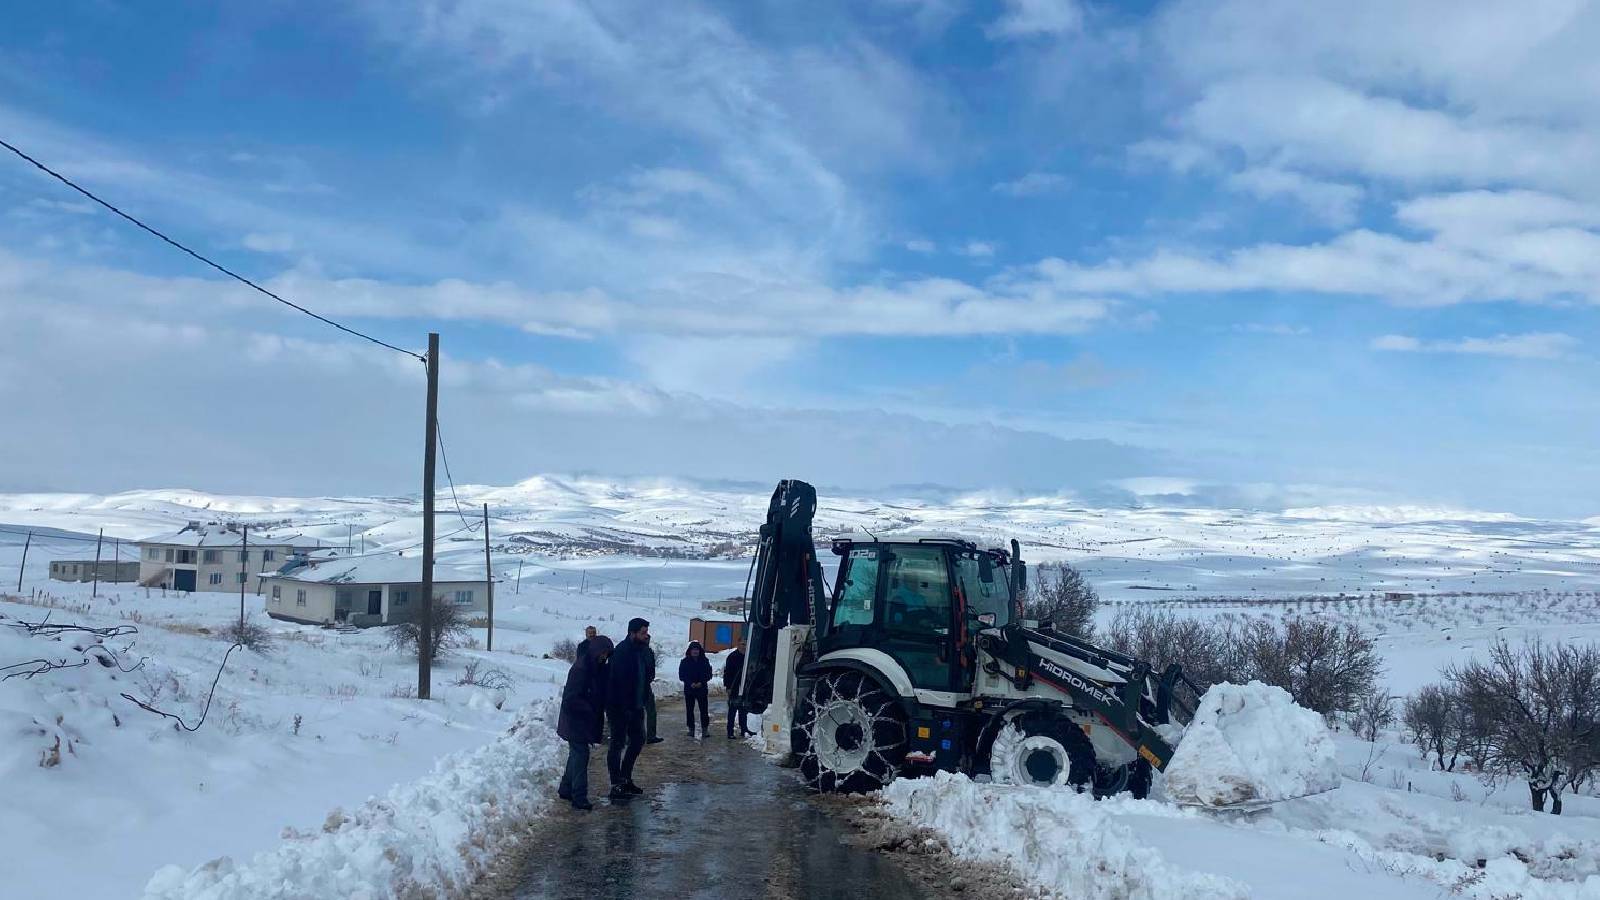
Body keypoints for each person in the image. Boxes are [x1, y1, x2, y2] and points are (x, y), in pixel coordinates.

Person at [557, 635, 613, 811]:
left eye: (607, 654)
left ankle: (566, 788)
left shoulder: (596, 667)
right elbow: (570, 699)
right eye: (603, 653)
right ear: (596, 651)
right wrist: (589, 708)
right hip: (575, 720)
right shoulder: (581, 669)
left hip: (582, 720)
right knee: (581, 755)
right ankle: (579, 797)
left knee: (576, 754)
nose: (604, 657)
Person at [605, 617, 651, 800]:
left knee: (638, 740)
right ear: (632, 633)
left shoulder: (641, 651)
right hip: (619, 707)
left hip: (636, 706)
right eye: (642, 632)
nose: (646, 635)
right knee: (617, 743)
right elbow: (618, 683)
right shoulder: (622, 653)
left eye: (646, 632)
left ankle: (625, 778)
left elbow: (645, 675)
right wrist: (624, 707)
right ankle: (616, 784)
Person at [679, 641, 713, 737]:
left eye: (697, 649)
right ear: (689, 651)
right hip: (689, 690)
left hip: (702, 689)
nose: (695, 651)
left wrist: (701, 682)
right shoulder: (684, 662)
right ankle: (691, 729)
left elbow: (709, 674)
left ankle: (705, 729)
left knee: (704, 710)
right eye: (693, 649)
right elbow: (682, 675)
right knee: (689, 710)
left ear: (700, 651)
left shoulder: (705, 661)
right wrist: (690, 683)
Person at [723, 644, 754, 739]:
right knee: (732, 709)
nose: (744, 647)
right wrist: (728, 686)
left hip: (745, 687)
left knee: (743, 709)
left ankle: (744, 729)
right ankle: (730, 731)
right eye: (742, 644)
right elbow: (727, 673)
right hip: (734, 686)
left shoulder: (749, 656)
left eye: (745, 644)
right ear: (738, 644)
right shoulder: (732, 657)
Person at [641, 634, 664, 744]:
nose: (647, 641)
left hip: (646, 684)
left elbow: (651, 667)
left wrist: (650, 678)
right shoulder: (637, 651)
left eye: (648, 639)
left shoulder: (648, 651)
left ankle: (650, 735)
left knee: (651, 711)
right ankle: (641, 735)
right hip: (638, 685)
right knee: (638, 712)